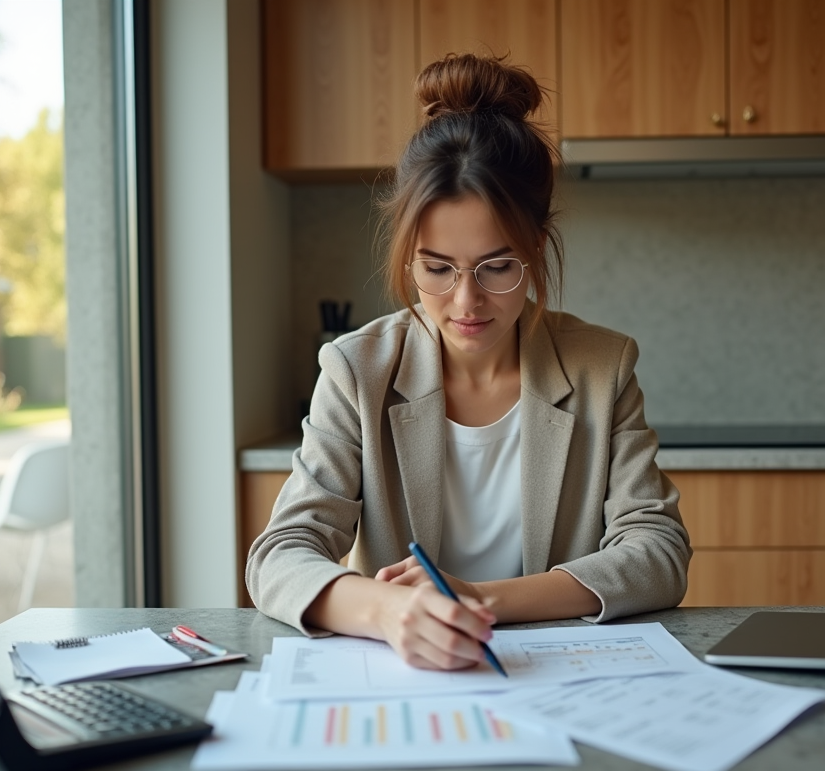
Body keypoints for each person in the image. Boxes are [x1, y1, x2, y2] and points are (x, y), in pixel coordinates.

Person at [246, 53, 690, 671]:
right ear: (407, 255)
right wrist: (388, 611)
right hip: (407, 678)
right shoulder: (357, 370)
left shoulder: (601, 366)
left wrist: (480, 599)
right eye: (436, 268)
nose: (466, 301)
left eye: (497, 267)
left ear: (536, 248)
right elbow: (281, 554)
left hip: (560, 676)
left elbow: (658, 551)